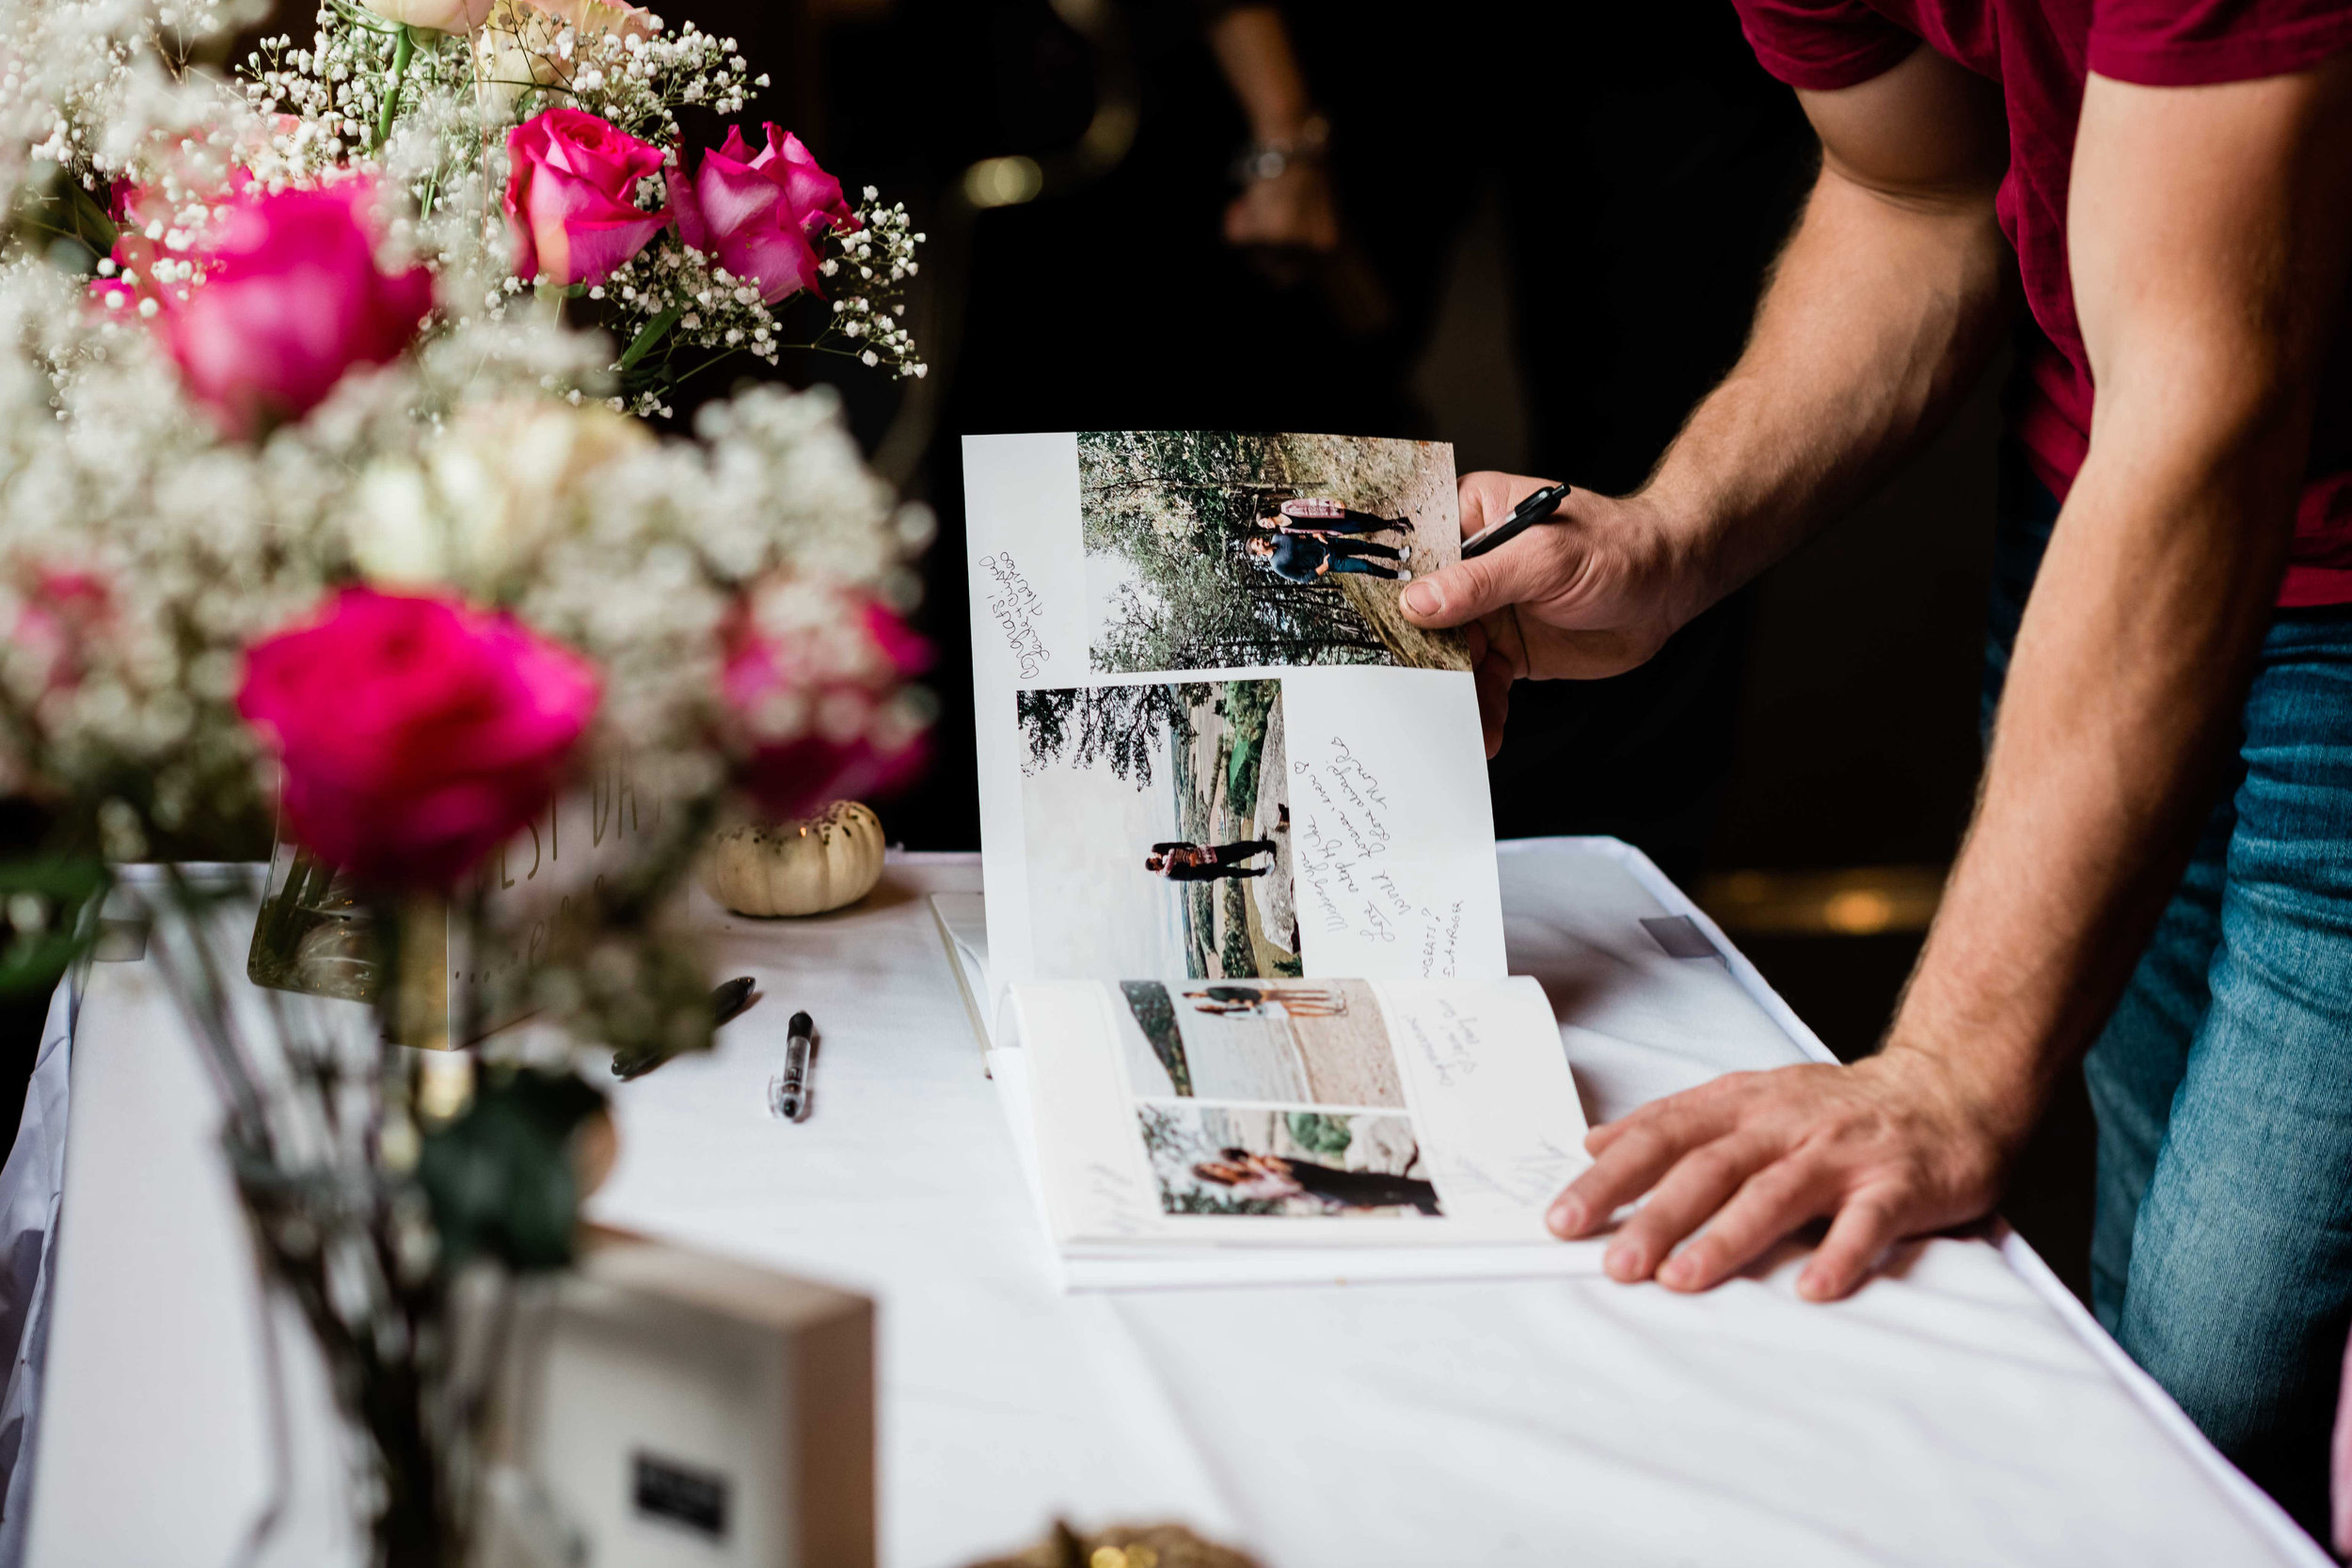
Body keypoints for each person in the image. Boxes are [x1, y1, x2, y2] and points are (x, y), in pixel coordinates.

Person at [1396, 4, 2352, 1531]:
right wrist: (1668, 536)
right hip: (2092, 515)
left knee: (2214, 1383)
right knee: (2135, 1302)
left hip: (2273, 552)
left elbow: (2206, 399)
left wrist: (1952, 1068)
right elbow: (1914, 190)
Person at [1193, 1148, 1439, 1214]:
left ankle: (1433, 1190)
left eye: (1215, 1165)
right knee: (1394, 1195)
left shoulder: (1246, 1169)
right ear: (1217, 1179)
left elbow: (1284, 1163)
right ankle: (1433, 1197)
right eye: (1214, 1171)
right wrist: (1264, 1168)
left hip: (1329, 1176)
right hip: (1325, 1191)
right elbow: (1289, 1185)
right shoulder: (1247, 1189)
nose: (1220, 1168)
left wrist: (1259, 1162)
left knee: (1386, 1181)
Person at [1242, 531, 1407, 584]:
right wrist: (1324, 567)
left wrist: (1316, 535)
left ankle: (1398, 554)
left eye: (1258, 539)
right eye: (1258, 544)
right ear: (1258, 554)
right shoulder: (1277, 565)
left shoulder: (1278, 537)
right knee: (1365, 566)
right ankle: (1397, 575)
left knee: (1365, 547)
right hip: (1330, 561)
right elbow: (1303, 578)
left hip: (1329, 544)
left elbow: (1302, 536)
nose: (1261, 541)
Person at [1257, 497, 1414, 537]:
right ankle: (1394, 524)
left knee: (1363, 518)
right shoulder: (1284, 531)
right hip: (1330, 528)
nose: (1267, 526)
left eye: (1264, 522)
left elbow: (1310, 502)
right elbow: (1305, 534)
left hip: (1331, 514)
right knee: (1361, 528)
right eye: (1264, 527)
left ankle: (1396, 523)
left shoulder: (1286, 506)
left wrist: (1332, 503)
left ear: (1267, 515)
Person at [1146, 838, 1278, 882]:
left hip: (1206, 856)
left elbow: (1183, 846)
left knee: (1236, 851)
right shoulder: (1169, 874)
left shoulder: (1169, 856)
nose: (1156, 857)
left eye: (1155, 855)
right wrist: (1193, 859)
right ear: (1154, 866)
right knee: (1233, 871)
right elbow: (1190, 874)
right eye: (1154, 858)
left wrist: (1194, 851)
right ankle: (1262, 871)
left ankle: (1262, 847)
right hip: (1206, 871)